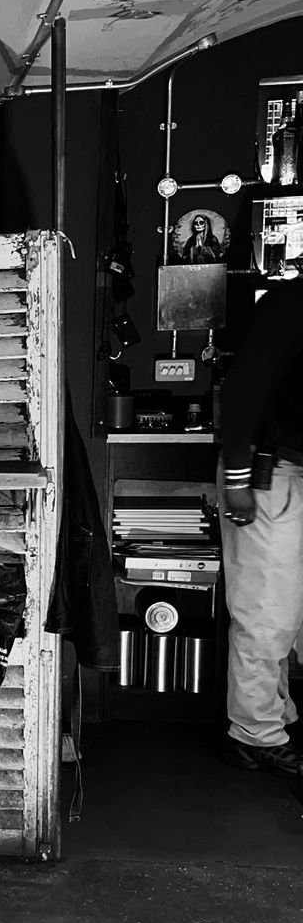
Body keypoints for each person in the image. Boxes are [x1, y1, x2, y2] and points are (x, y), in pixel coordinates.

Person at [216, 277, 303, 780]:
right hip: (267, 472)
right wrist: (237, 479)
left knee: (284, 613)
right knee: (265, 611)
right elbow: (245, 389)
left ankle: (275, 717)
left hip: (290, 469)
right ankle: (253, 735)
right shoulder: (292, 304)